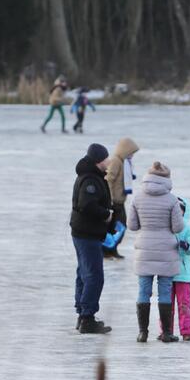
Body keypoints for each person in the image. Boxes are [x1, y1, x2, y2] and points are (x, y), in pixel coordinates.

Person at [128, 161, 184, 343]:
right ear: (167, 178)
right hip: (166, 251)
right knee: (165, 291)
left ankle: (142, 332)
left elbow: (132, 225)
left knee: (143, 291)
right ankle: (167, 333)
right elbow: (177, 227)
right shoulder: (172, 199)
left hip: (144, 250)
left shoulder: (137, 198)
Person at [70, 143, 114, 334]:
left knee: (84, 273)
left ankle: (83, 313)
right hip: (86, 234)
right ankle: (87, 317)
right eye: (106, 158)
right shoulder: (90, 180)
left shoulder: (92, 176)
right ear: (99, 160)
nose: (109, 161)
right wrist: (106, 214)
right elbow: (87, 205)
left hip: (84, 233)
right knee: (94, 276)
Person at [167, 197, 190, 341]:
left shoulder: (188, 229)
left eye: (180, 210)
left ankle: (186, 332)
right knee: (167, 305)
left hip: (183, 275)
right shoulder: (166, 227)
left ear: (184, 212)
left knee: (184, 304)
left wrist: (187, 246)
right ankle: (166, 331)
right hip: (166, 273)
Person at [104, 138, 140, 260]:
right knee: (117, 226)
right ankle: (107, 250)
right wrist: (109, 199)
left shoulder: (125, 162)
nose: (132, 155)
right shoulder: (116, 161)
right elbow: (109, 179)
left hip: (120, 201)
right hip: (114, 201)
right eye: (131, 152)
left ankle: (112, 249)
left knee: (118, 226)